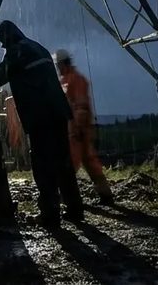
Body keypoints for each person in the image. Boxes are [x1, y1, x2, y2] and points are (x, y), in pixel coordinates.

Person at [0, 20, 83, 228]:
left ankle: (50, 215)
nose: (3, 47)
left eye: (2, 43)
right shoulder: (37, 47)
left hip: (40, 115)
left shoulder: (18, 51)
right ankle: (75, 208)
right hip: (58, 112)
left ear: (8, 37)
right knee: (62, 161)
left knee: (43, 165)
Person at [54, 49, 116, 206]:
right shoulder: (67, 80)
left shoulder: (75, 80)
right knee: (89, 162)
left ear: (63, 63)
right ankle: (105, 195)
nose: (57, 67)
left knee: (70, 165)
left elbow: (80, 105)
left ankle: (70, 200)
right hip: (76, 130)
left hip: (78, 131)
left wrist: (78, 128)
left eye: (58, 64)